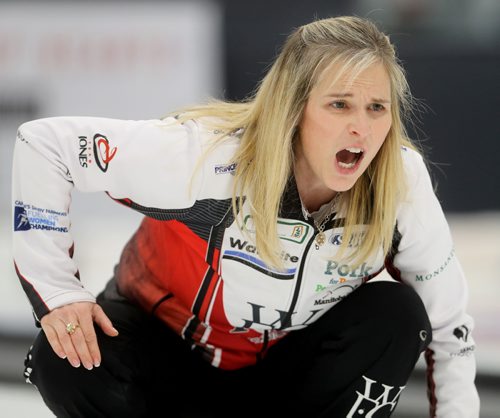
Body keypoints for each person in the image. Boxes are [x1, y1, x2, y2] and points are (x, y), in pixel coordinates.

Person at [12, 16, 479, 418]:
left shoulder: (399, 181)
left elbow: (450, 328)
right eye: (340, 104)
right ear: (292, 109)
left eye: (377, 107)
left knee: (398, 315)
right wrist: (58, 292)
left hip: (284, 380)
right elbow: (46, 146)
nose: (362, 127)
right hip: (164, 365)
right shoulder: (205, 157)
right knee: (63, 354)